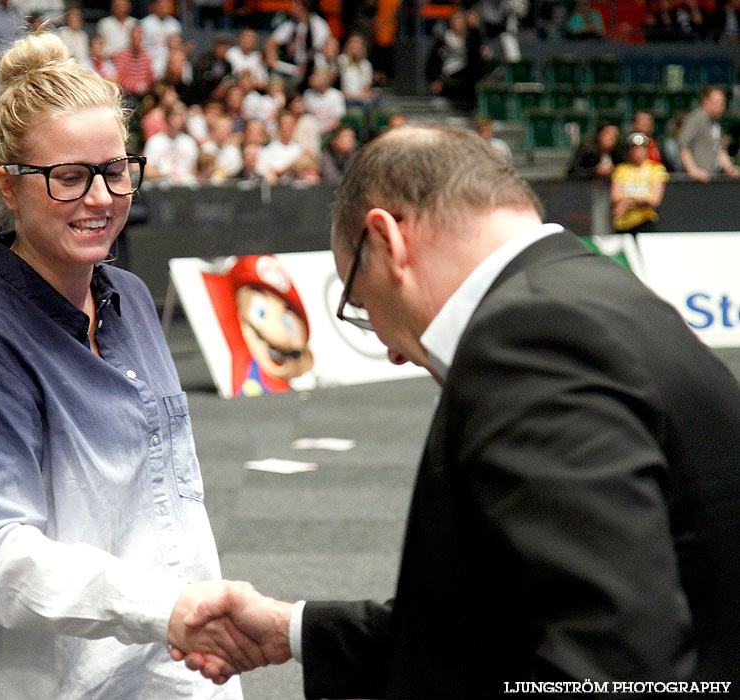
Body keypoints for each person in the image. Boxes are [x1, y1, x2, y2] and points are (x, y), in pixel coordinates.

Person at [172, 123, 740, 695]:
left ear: (387, 240)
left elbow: (610, 669)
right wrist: (289, 630)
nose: (392, 353)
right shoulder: (595, 293)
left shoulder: (529, 340)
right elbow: (509, 627)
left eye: (363, 304)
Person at [0, 31, 253, 700]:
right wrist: (169, 610)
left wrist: (198, 632)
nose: (100, 197)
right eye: (69, 177)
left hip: (166, 665)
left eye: (115, 171)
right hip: (46, 680)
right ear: (8, 184)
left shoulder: (131, 298)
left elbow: (174, 502)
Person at [678, 86, 740, 182]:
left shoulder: (715, 123)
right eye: (717, 101)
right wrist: (693, 170)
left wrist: (730, 168)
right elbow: (684, 146)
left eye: (723, 102)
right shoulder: (696, 118)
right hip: (697, 180)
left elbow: (719, 149)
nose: (721, 104)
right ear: (706, 101)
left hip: (712, 176)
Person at [611, 131, 668, 233]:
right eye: (634, 148)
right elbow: (616, 196)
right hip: (623, 224)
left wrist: (626, 203)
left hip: (645, 222)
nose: (637, 151)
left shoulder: (656, 169)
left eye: (641, 147)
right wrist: (642, 199)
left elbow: (654, 200)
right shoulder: (621, 170)